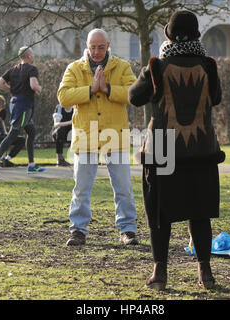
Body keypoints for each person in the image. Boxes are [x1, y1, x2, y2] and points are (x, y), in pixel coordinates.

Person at [128, 10, 224, 290]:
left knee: (160, 213)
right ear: (197, 34)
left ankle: (160, 272)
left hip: (161, 150)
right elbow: (215, 98)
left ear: (168, 34)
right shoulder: (209, 65)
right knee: (200, 211)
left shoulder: (157, 66)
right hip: (201, 150)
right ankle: (205, 272)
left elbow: (135, 97)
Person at [57, 28, 138, 246]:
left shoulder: (122, 67)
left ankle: (127, 230)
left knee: (123, 188)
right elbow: (63, 96)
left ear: (108, 45)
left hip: (116, 135)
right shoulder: (74, 68)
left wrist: (108, 88)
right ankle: (78, 231)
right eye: (93, 46)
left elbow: (134, 93)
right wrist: (91, 90)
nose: (96, 51)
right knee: (81, 188)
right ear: (87, 45)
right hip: (85, 135)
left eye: (101, 47)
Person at [0, 46, 45, 178]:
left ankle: (31, 165)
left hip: (15, 104)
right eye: (32, 54)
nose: (33, 56)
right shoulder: (32, 69)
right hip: (24, 106)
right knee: (14, 132)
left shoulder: (13, 69)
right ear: (29, 56)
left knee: (31, 131)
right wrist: (40, 88)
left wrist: (11, 90)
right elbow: (33, 86)